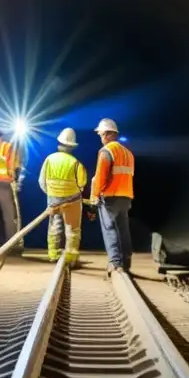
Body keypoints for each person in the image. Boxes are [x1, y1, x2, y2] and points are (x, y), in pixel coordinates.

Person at [89, 118, 135, 276]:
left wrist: (95, 197)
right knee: (123, 229)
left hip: (110, 197)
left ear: (108, 134)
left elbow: (100, 177)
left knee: (110, 229)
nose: (101, 137)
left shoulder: (107, 151)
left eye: (101, 134)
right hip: (126, 196)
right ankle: (126, 262)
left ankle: (115, 264)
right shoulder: (128, 153)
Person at [39, 127, 89, 265]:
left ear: (59, 144)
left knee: (54, 227)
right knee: (72, 229)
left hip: (53, 199)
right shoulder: (76, 163)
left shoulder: (49, 159)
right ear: (72, 147)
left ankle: (53, 255)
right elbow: (82, 183)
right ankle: (71, 259)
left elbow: (41, 181)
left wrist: (51, 193)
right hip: (72, 200)